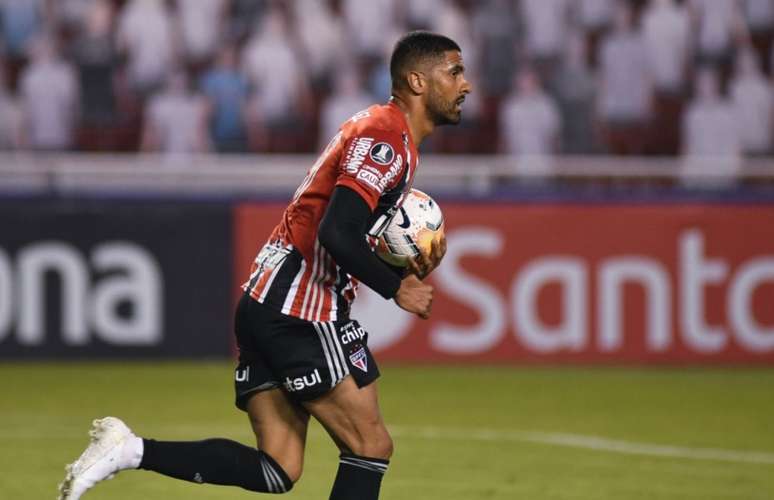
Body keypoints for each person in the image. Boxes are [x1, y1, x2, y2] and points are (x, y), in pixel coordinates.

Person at [58, 31, 471, 500]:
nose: (466, 84)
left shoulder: (384, 130)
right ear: (418, 81)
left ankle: (129, 450)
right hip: (301, 309)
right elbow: (337, 232)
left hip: (266, 302)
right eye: (454, 71)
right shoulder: (385, 137)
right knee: (370, 446)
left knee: (278, 468)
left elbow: (341, 227)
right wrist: (396, 287)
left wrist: (400, 263)